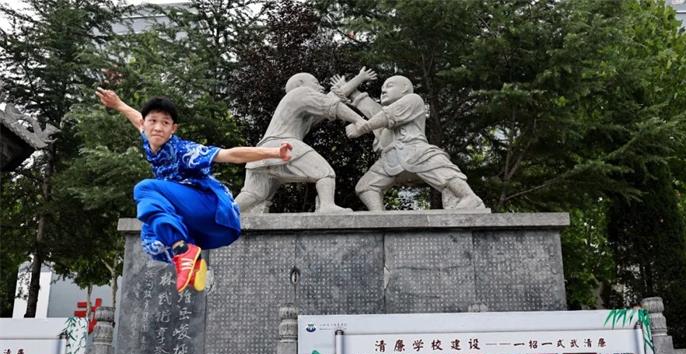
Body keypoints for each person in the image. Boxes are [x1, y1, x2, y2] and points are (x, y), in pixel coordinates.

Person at [96, 88, 292, 292]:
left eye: (165, 123)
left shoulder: (184, 151)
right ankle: (193, 264)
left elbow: (230, 155)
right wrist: (118, 104)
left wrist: (275, 152)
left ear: (173, 129)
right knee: (150, 240)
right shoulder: (148, 135)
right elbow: (136, 117)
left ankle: (182, 249)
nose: (158, 128)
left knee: (144, 188)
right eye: (152, 121)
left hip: (215, 212)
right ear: (144, 125)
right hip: (202, 226)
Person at [338, 73, 485, 211]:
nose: (383, 90)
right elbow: (371, 109)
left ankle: (469, 197)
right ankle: (378, 216)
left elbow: (388, 116)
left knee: (446, 173)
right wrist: (348, 88)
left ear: (404, 89)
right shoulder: (383, 113)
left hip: (416, 151)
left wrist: (363, 127)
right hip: (391, 160)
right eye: (382, 88)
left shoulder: (413, 100)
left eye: (389, 86)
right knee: (365, 187)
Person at [235, 71, 372, 214]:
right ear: (300, 84)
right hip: (284, 145)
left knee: (252, 193)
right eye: (316, 83)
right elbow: (331, 105)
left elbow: (332, 99)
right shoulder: (300, 92)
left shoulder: (298, 106)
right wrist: (359, 120)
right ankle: (327, 205)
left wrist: (359, 78)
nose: (321, 87)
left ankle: (225, 214)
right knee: (325, 174)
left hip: (262, 152)